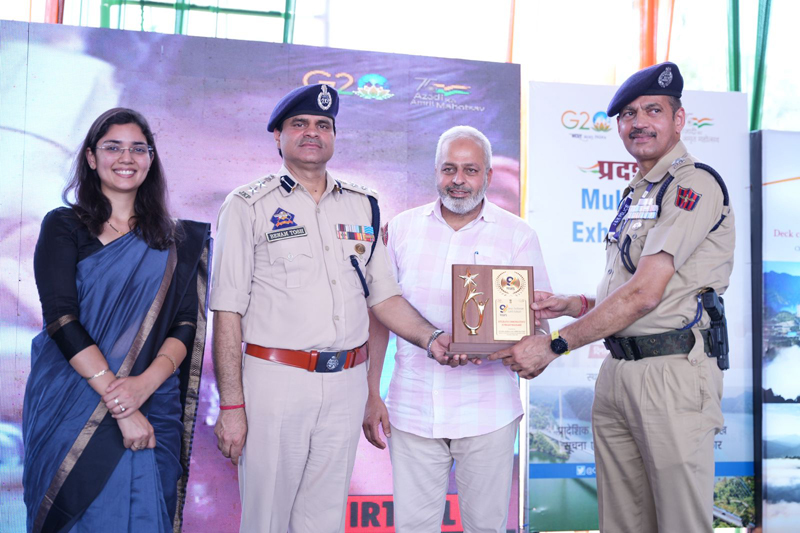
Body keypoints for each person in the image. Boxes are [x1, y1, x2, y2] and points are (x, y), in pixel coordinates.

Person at [491, 62, 735, 532]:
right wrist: (574, 305)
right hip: (619, 371)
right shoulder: (641, 190)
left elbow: (645, 295)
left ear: (678, 120)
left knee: (681, 521)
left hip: (671, 372)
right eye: (627, 114)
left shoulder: (691, 185)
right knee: (622, 522)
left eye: (653, 110)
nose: (638, 121)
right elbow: (630, 286)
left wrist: (556, 343)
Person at [209, 84, 452, 533]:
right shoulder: (247, 206)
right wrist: (232, 405)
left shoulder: (364, 205)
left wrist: (433, 338)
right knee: (266, 521)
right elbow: (226, 312)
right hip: (276, 381)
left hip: (345, 386)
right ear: (277, 136)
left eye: (323, 125)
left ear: (335, 137)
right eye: (299, 124)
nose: (312, 133)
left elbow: (384, 297)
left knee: (323, 522)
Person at [22, 108, 211, 533]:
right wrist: (121, 404)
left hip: (152, 398)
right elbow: (61, 319)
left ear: (150, 159)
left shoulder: (174, 240)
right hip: (73, 398)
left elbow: (184, 325)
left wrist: (142, 387)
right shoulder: (64, 225)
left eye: (137, 148)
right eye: (112, 147)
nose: (126, 157)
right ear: (91, 157)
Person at [363, 126, 551, 532]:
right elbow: (377, 314)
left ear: (488, 176)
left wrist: (501, 349)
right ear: (435, 172)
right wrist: (371, 390)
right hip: (412, 409)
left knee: (487, 527)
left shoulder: (518, 235)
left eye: (470, 170)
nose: (459, 180)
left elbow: (538, 323)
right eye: (450, 169)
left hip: (488, 412)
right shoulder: (400, 230)